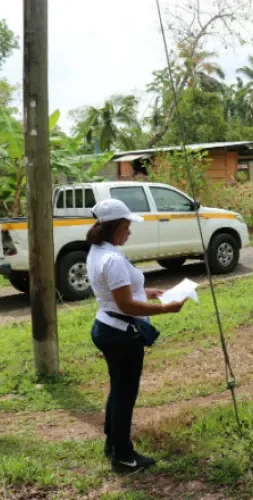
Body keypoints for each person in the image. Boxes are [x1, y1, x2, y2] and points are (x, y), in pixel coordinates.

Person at [86, 198, 187, 474]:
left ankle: (112, 443)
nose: (129, 231)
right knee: (125, 395)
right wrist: (165, 308)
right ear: (115, 227)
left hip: (106, 326)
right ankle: (123, 456)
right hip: (121, 334)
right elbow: (126, 305)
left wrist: (147, 291)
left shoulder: (97, 251)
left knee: (118, 389)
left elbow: (119, 293)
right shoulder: (112, 259)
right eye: (127, 226)